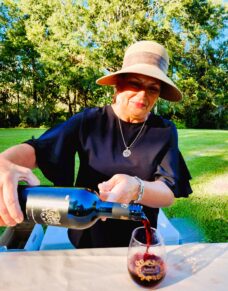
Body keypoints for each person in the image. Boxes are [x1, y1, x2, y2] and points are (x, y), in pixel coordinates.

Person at [0, 40, 192, 248]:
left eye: (153, 88)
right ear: (118, 85)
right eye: (135, 84)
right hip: (87, 229)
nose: (143, 94)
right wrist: (3, 162)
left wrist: (137, 188)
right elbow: (39, 150)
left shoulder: (164, 131)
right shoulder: (89, 121)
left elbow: (167, 192)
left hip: (138, 233)